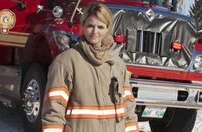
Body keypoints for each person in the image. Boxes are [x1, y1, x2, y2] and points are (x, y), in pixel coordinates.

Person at [42, 2, 138, 132]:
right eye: (90, 26)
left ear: (108, 28)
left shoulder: (117, 64)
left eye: (100, 27)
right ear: (82, 27)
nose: (95, 32)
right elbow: (53, 110)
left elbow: (128, 107)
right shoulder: (66, 62)